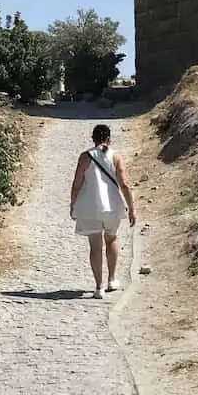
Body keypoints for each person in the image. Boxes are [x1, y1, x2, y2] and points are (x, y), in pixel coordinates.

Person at [69, 123, 136, 299]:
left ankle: (98, 287)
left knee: (95, 246)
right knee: (111, 239)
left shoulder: (85, 157)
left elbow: (77, 183)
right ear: (108, 138)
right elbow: (124, 184)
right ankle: (112, 279)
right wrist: (131, 208)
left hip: (90, 206)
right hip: (112, 205)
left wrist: (73, 204)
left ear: (93, 138)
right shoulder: (116, 156)